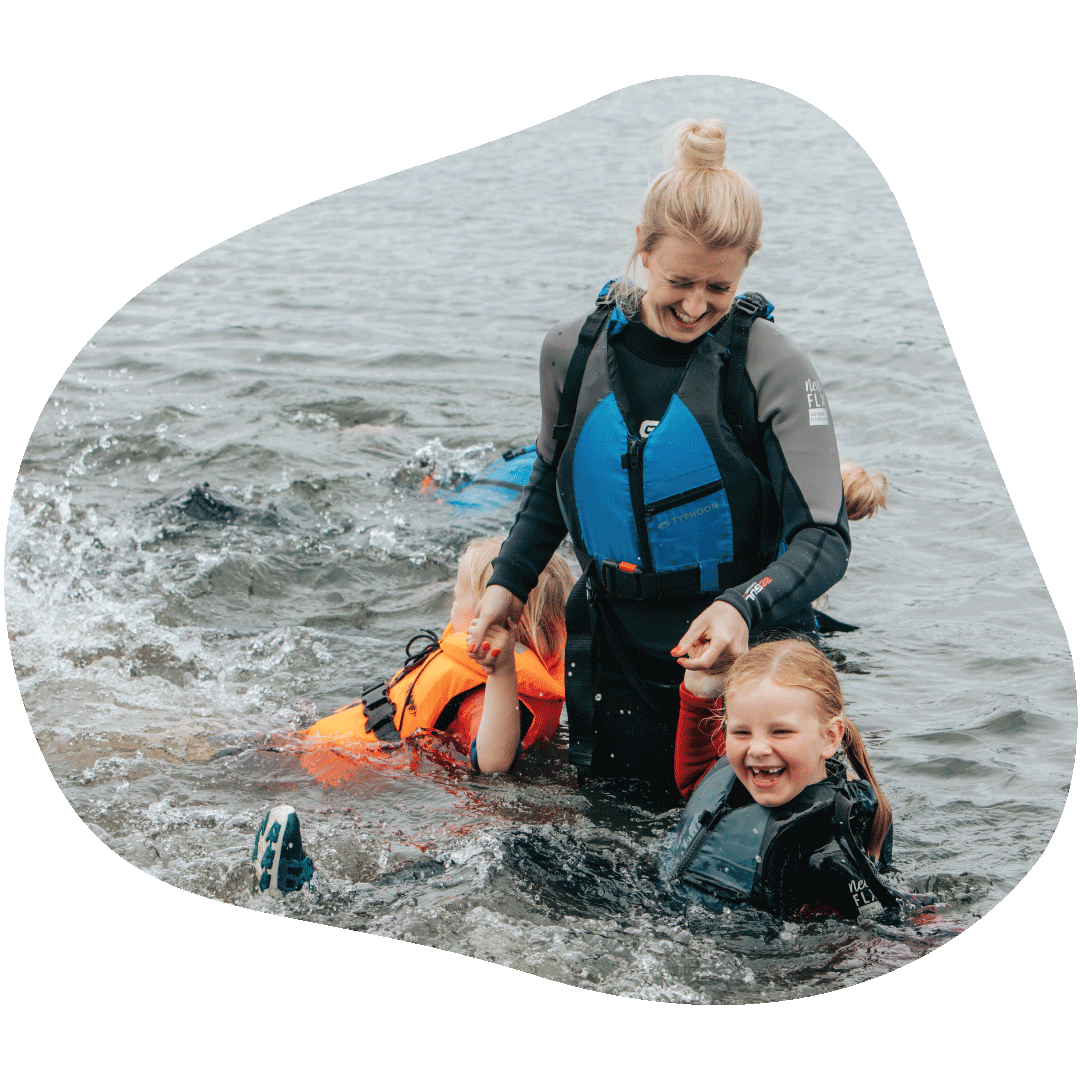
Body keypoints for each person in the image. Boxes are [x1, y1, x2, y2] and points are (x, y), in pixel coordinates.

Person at [467, 119, 850, 797]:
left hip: (744, 657)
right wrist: (507, 585)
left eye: (720, 288)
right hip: (613, 650)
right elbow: (552, 486)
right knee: (612, 851)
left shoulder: (770, 363)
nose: (698, 305)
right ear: (643, 250)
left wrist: (741, 608)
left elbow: (823, 539)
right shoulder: (572, 351)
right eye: (681, 281)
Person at [667, 638, 904, 920]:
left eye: (780, 732)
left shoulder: (829, 851)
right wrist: (699, 692)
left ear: (829, 737)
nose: (757, 749)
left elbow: (885, 930)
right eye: (741, 733)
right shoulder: (730, 778)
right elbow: (695, 780)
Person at [302, 536, 576, 778]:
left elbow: (494, 764)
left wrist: (501, 670)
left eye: (457, 599)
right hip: (347, 741)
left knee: (271, 757)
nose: (451, 606)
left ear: (490, 620)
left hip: (347, 765)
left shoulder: (488, 693)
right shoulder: (547, 678)